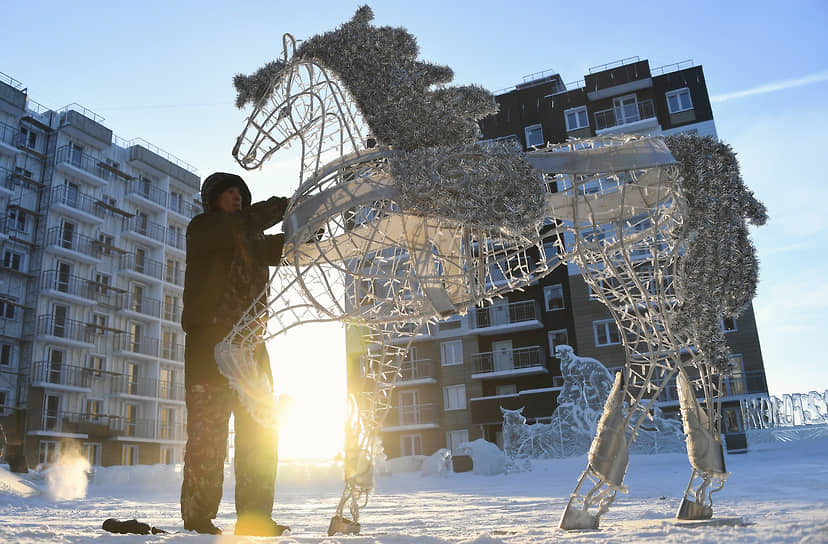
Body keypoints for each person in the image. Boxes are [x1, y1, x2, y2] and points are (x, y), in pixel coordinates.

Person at [180, 172, 290, 536]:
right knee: (207, 435)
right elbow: (243, 224)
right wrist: (284, 207)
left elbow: (292, 247)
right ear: (213, 200)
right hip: (209, 347)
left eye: (240, 192)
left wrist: (309, 222)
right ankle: (198, 519)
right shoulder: (203, 229)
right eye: (228, 192)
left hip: (252, 347)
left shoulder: (252, 240)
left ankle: (255, 518)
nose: (236, 196)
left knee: (261, 432)